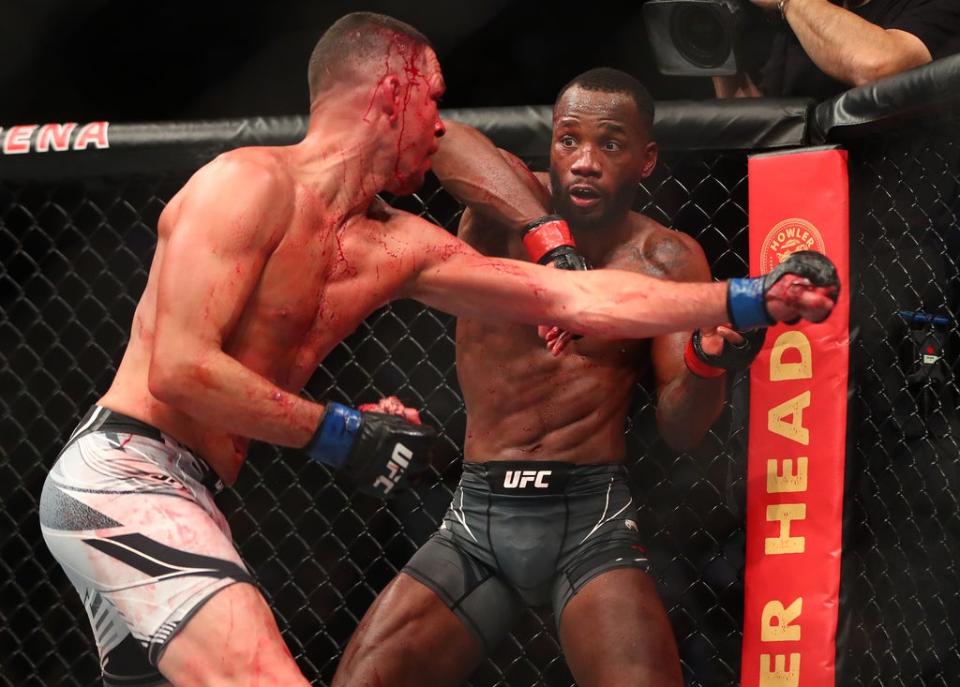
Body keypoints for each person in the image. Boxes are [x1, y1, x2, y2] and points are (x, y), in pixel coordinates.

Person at [38, 12, 835, 685]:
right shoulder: (244, 185)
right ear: (393, 94)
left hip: (204, 486)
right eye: (434, 100)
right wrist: (337, 431)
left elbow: (572, 296)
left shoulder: (397, 243)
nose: (442, 124)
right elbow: (179, 368)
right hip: (127, 471)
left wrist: (747, 295)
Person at [332, 67, 803, 687]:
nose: (584, 161)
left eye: (609, 144)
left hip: (590, 521)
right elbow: (444, 139)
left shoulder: (664, 259)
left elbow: (681, 427)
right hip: (477, 518)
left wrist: (706, 362)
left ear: (646, 159)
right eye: (568, 140)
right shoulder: (499, 214)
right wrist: (553, 248)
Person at [714, 0, 960, 100]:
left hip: (906, 197)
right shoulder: (795, 26)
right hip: (810, 201)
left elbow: (878, 67)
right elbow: (760, 130)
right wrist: (714, 37)